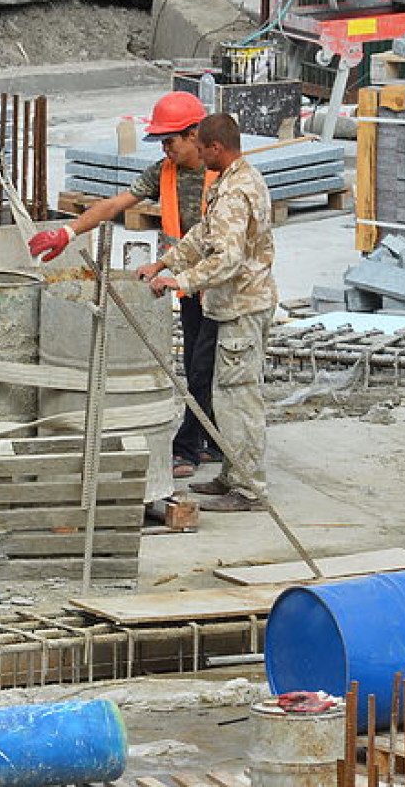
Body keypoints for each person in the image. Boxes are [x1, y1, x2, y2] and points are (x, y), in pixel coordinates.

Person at [27, 90, 221, 479]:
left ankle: (188, 447)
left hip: (220, 284)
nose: (166, 149)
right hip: (185, 283)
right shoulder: (162, 172)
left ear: (194, 134)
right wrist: (69, 231)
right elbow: (115, 205)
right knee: (201, 364)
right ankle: (213, 438)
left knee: (204, 367)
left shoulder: (223, 173)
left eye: (171, 141)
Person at [137, 113, 277, 513]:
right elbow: (202, 235)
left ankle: (249, 490)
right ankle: (233, 476)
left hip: (242, 306)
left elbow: (227, 259)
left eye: (201, 148)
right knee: (227, 392)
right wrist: (164, 264)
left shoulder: (235, 192)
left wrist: (180, 282)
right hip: (233, 305)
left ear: (216, 147)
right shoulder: (230, 182)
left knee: (238, 397)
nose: (196, 154)